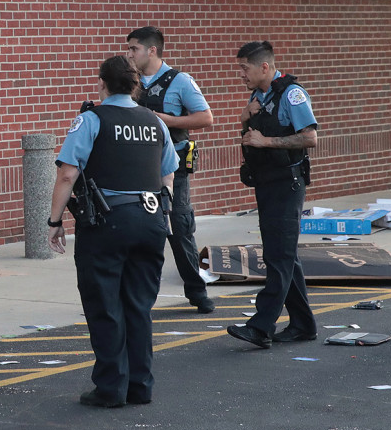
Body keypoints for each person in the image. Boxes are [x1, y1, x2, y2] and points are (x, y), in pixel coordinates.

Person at [48, 55, 177, 408]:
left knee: (105, 304)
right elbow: (168, 175)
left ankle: (111, 388)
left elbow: (66, 175)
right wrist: (164, 218)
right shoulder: (155, 121)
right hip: (151, 219)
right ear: (135, 85)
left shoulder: (91, 119)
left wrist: (55, 221)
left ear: (102, 83)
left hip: (107, 223)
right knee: (139, 305)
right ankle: (140, 386)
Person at [226, 41, 318, 350]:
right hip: (267, 183)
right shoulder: (258, 96)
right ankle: (303, 324)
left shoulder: (292, 94)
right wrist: (244, 117)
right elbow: (250, 136)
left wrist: (267, 142)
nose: (241, 74)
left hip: (286, 185)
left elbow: (310, 138)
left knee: (277, 256)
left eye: (245, 68)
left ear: (264, 67)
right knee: (284, 256)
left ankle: (261, 326)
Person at [127, 26, 216, 313]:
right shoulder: (129, 80)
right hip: (136, 168)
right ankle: (136, 295)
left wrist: (163, 120)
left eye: (134, 49)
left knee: (179, 229)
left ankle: (197, 291)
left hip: (171, 168)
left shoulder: (180, 81)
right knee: (136, 230)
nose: (129, 54)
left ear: (151, 50)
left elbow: (205, 118)